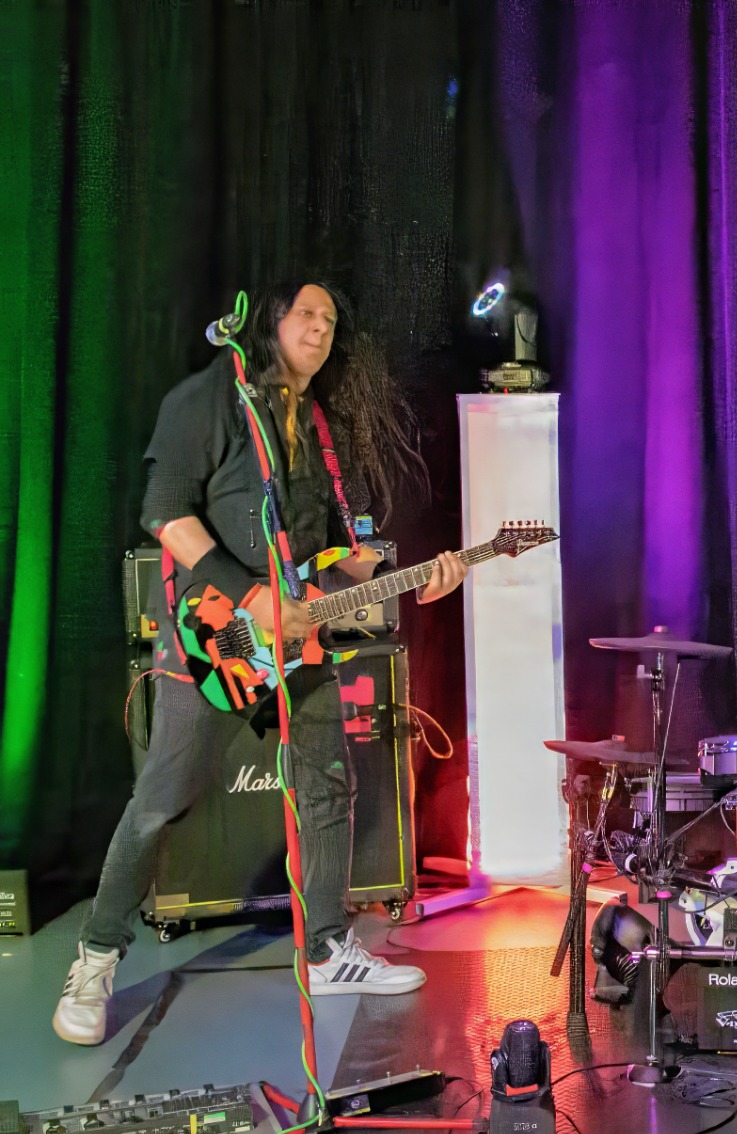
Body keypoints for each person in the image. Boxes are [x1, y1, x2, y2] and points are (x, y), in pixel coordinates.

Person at [53, 280, 467, 1046]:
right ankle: (96, 959)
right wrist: (249, 597)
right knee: (162, 799)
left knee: (328, 786)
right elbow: (165, 512)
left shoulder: (318, 426)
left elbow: (342, 549)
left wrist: (413, 574)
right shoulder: (208, 398)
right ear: (270, 321)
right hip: (217, 638)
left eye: (331, 319)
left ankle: (327, 950)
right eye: (306, 313)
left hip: (298, 639)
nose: (320, 328)